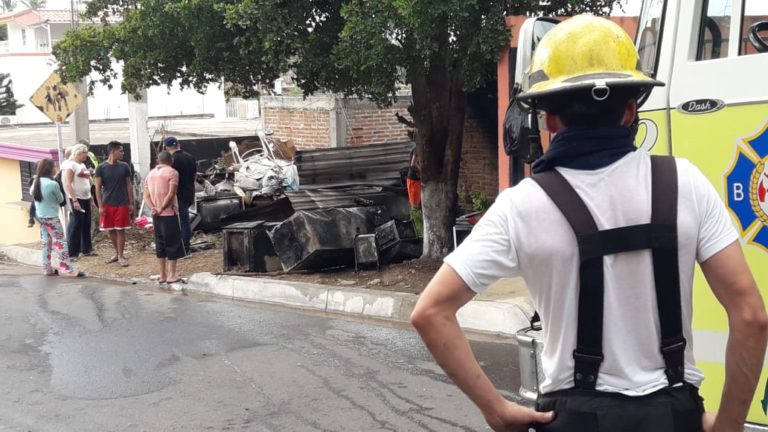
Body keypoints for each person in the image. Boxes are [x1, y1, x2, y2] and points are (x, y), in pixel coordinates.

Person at [410, 15, 767, 432]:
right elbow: (751, 315)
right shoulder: (684, 182)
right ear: (630, 110)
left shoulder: (521, 205)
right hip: (675, 416)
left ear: (549, 120)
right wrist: (729, 423)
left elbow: (430, 312)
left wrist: (497, 409)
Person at [31, 158, 83, 278]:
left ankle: (47, 267)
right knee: (60, 242)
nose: (56, 168)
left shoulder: (36, 182)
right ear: (50, 169)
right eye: (54, 166)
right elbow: (60, 200)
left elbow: (31, 193)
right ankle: (66, 268)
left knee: (46, 242)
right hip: (51, 217)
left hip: (40, 216)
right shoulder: (52, 184)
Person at [143, 151, 183, 284]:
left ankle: (162, 274)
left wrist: (153, 208)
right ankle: (172, 274)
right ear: (171, 160)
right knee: (172, 243)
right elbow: (171, 194)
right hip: (169, 213)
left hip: (155, 214)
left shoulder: (150, 174)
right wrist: (162, 208)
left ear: (157, 161)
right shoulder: (172, 173)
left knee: (160, 243)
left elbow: (146, 196)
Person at [94, 141, 134, 267]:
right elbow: (97, 188)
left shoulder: (124, 166)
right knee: (110, 230)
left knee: (121, 230)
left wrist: (131, 202)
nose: (123, 153)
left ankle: (121, 255)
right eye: (120, 151)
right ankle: (117, 253)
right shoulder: (101, 168)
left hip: (122, 203)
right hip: (107, 203)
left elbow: (129, 185)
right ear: (113, 151)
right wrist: (100, 206)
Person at [61, 143, 95, 259]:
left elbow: (86, 182)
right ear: (77, 153)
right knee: (76, 225)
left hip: (86, 197)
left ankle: (87, 248)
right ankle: (72, 252)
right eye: (83, 153)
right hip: (77, 198)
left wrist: (91, 200)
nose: (85, 155)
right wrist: (74, 199)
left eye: (86, 152)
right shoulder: (71, 166)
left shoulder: (83, 165)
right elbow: (68, 184)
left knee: (87, 223)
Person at [163, 136, 196, 256]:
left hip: (177, 195)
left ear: (166, 147)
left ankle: (183, 249)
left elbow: (169, 179)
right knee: (184, 221)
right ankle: (185, 247)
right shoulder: (190, 157)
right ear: (178, 144)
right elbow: (194, 176)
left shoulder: (172, 160)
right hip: (189, 193)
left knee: (180, 222)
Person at [78, 138, 101, 208]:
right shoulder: (78, 158)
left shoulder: (90, 154)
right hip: (85, 185)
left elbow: (97, 163)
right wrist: (88, 171)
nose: (86, 151)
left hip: (95, 183)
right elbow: (78, 172)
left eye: (87, 148)